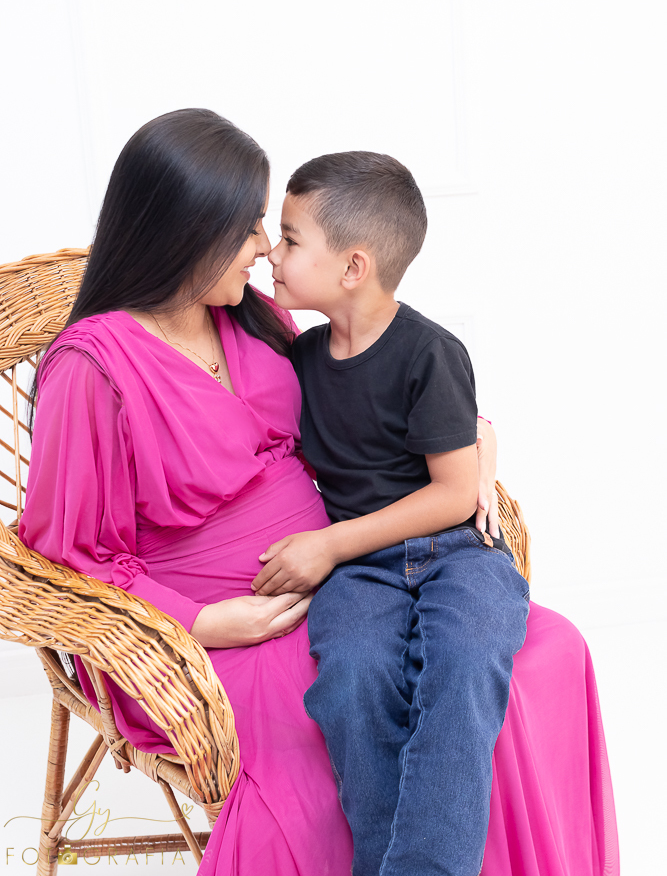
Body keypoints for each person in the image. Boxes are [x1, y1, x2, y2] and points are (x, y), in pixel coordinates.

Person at [19, 110, 619, 876]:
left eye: (271, 228)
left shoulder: (252, 316)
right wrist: (202, 623)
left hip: (353, 572)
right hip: (214, 626)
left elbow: (370, 400)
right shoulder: (91, 369)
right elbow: (69, 558)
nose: (264, 247)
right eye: (245, 229)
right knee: (345, 723)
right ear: (183, 230)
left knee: (542, 656)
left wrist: (474, 436)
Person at [251, 152, 529, 876]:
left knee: (463, 663)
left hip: (456, 555)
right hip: (362, 576)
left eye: (287, 239)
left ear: (351, 267)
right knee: (349, 677)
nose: (269, 255)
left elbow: (450, 492)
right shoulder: (298, 358)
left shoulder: (431, 353)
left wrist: (328, 543)